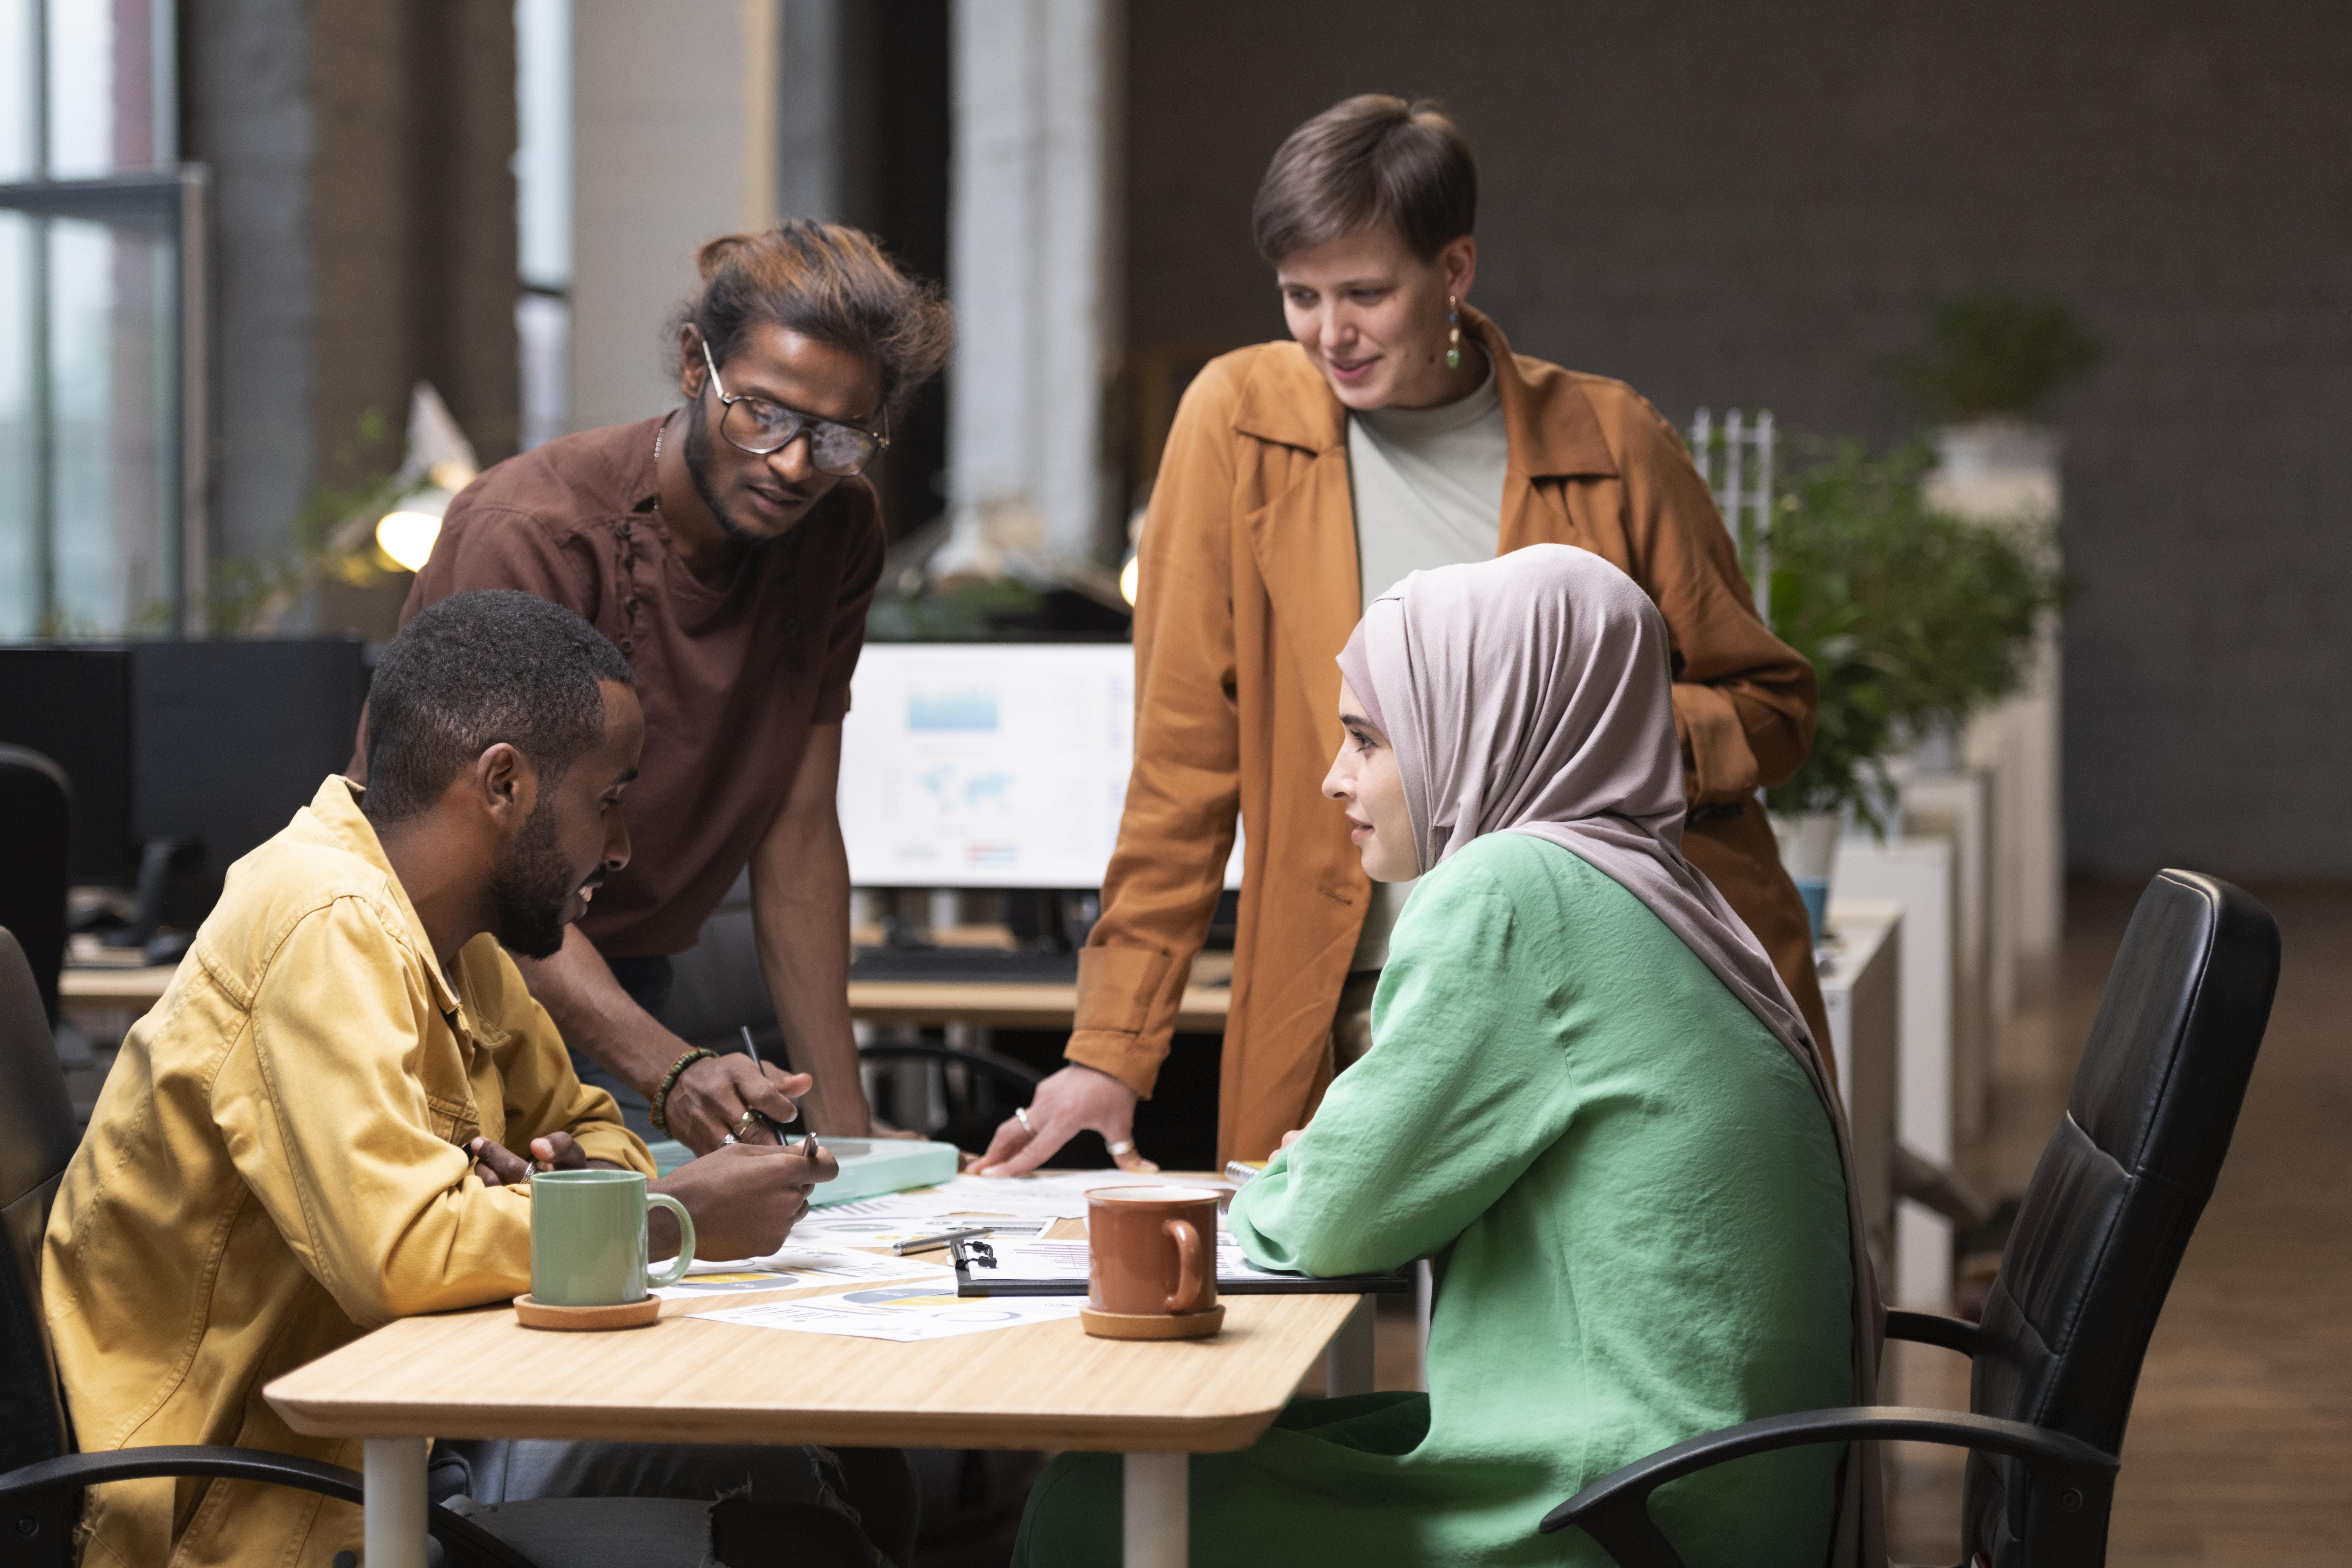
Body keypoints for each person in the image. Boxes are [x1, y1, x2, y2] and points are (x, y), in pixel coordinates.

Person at [981, 95, 1828, 1176]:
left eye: (1367, 294)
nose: (1330, 333)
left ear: (1456, 271)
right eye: (1301, 295)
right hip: (1356, 994)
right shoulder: (1234, 421)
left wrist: (1591, 745)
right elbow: (1182, 768)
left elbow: (1773, 711)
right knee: (1300, 1315)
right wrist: (1110, 1049)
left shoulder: (1611, 439)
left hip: (1601, 986)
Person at [1013, 546, 1879, 1567]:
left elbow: (1331, 1219)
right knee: (1241, 1442)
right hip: (1721, 1485)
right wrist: (1335, 1165)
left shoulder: (1514, 890)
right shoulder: (1657, 885)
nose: (1336, 778)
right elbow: (1372, 1178)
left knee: (1091, 1506)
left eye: (1367, 739)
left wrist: (1309, 1171)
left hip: (1621, 1507)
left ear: (1482, 723)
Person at [46, 592, 911, 1568]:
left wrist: (554, 1194)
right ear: (504, 783)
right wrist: (665, 1217)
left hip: (407, 1437)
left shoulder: (456, 940)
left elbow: (593, 1124)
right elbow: (404, 1254)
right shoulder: (320, 922)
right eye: (608, 799)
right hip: (248, 1508)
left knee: (799, 1473)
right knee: (796, 1550)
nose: (620, 848)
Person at [368, 219, 955, 1151]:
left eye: (840, 435)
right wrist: (669, 1070)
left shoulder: (839, 529)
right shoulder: (532, 532)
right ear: (695, 365)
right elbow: (473, 862)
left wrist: (848, 1147)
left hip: (628, 971)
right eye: (762, 411)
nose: (796, 464)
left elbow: (799, 836)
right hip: (457, 979)